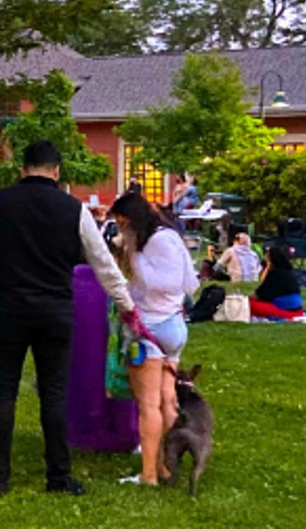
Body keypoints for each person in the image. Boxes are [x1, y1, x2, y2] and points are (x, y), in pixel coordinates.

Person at [0, 141, 136, 496]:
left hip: (9, 308)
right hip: (55, 311)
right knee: (53, 394)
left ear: (23, 169)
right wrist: (126, 304)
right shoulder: (75, 211)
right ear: (57, 172)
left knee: (4, 393)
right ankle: (58, 476)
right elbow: (103, 263)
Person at [107, 191, 198, 486]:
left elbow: (162, 282)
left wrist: (132, 254)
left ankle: (149, 474)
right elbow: (185, 283)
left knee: (148, 405)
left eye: (123, 223)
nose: (122, 230)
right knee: (167, 401)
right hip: (172, 326)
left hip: (150, 328)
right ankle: (168, 467)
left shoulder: (154, 242)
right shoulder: (169, 237)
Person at [251, 246, 304, 319]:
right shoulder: (289, 272)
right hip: (297, 310)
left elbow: (261, 294)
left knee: (249, 304)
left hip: (284, 311)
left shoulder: (275, 274)